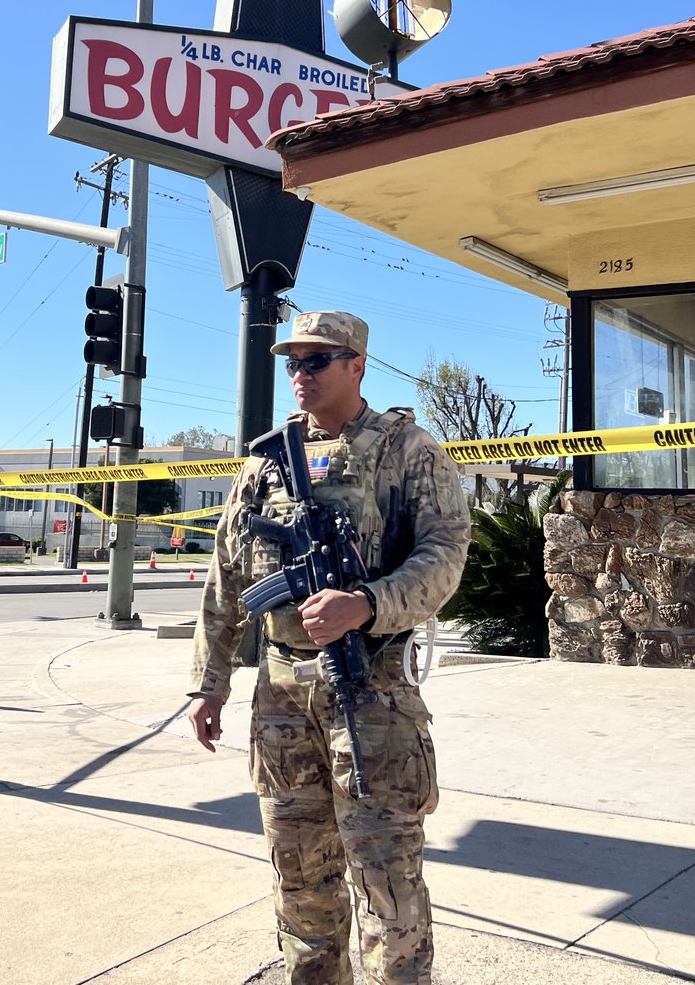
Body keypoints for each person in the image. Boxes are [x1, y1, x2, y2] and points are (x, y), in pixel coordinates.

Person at [187, 310, 470, 985]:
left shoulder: (409, 451)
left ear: (357, 365)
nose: (300, 374)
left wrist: (367, 604)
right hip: (281, 699)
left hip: (372, 695)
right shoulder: (266, 461)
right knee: (299, 880)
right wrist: (210, 681)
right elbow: (227, 576)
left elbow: (445, 555)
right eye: (293, 362)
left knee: (387, 888)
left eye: (317, 361)